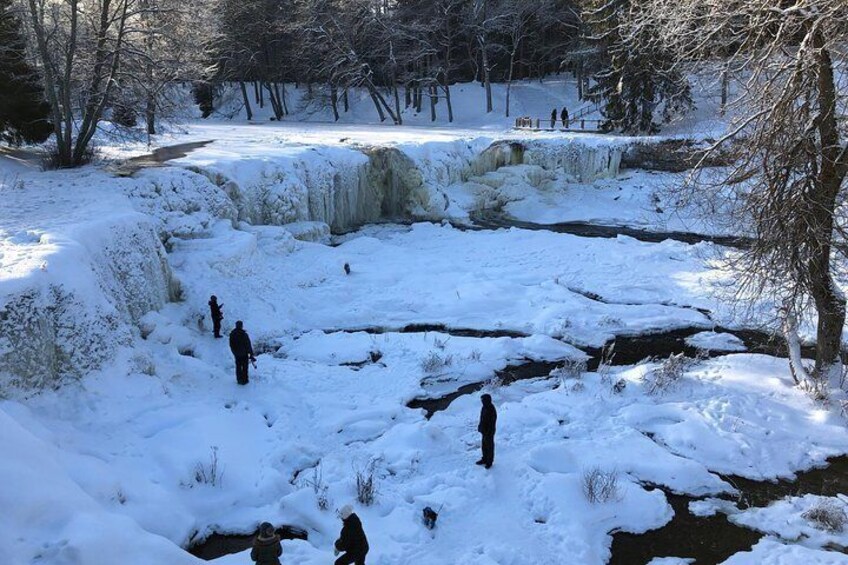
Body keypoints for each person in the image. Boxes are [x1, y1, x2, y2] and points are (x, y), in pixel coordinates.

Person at [229, 320, 255, 385]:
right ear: (241, 326)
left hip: (237, 354)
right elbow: (248, 345)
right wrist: (251, 354)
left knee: (238, 366)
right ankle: (245, 380)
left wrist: (234, 352)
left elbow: (231, 345)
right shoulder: (244, 334)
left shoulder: (232, 334)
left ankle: (239, 379)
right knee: (245, 367)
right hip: (244, 354)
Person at [476, 393, 497, 469]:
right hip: (484, 431)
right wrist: (480, 426)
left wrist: (488, 432)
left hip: (489, 432)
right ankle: (484, 459)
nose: (481, 401)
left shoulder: (491, 409)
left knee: (489, 447)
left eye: (483, 400)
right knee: (484, 446)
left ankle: (489, 462)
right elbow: (481, 418)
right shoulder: (484, 407)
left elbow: (492, 422)